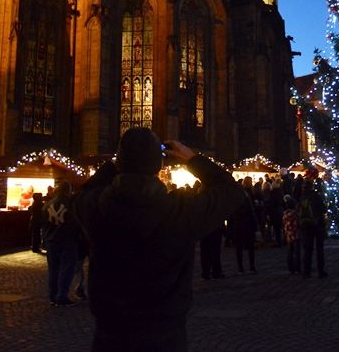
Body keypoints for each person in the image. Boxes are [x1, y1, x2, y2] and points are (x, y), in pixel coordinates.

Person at [76, 128, 245, 352]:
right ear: (159, 165)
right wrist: (193, 159)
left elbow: (83, 192)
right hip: (165, 335)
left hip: (110, 335)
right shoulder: (181, 212)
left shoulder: (95, 208)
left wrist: (120, 162)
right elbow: (231, 192)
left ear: (121, 162)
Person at [44, 181, 78, 306]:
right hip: (67, 240)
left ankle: (53, 296)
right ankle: (62, 296)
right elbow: (75, 222)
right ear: (68, 190)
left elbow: (44, 222)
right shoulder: (70, 204)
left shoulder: (48, 204)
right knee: (66, 269)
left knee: (53, 269)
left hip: (51, 240)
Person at [298, 179, 328, 278]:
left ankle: (307, 271)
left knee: (307, 249)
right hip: (318, 224)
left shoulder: (302, 197)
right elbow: (324, 209)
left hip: (306, 225)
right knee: (319, 249)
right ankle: (321, 271)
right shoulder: (316, 196)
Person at [231, 177, 258, 273]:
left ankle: (241, 268)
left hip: (238, 224)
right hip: (247, 223)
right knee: (250, 247)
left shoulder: (235, 199)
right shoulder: (248, 196)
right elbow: (251, 210)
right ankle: (251, 266)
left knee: (239, 248)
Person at [282, 195, 301, 274]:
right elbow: (297, 223)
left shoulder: (285, 214)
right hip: (295, 234)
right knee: (297, 251)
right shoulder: (294, 214)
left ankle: (290, 267)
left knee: (290, 251)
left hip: (289, 234)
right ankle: (297, 267)